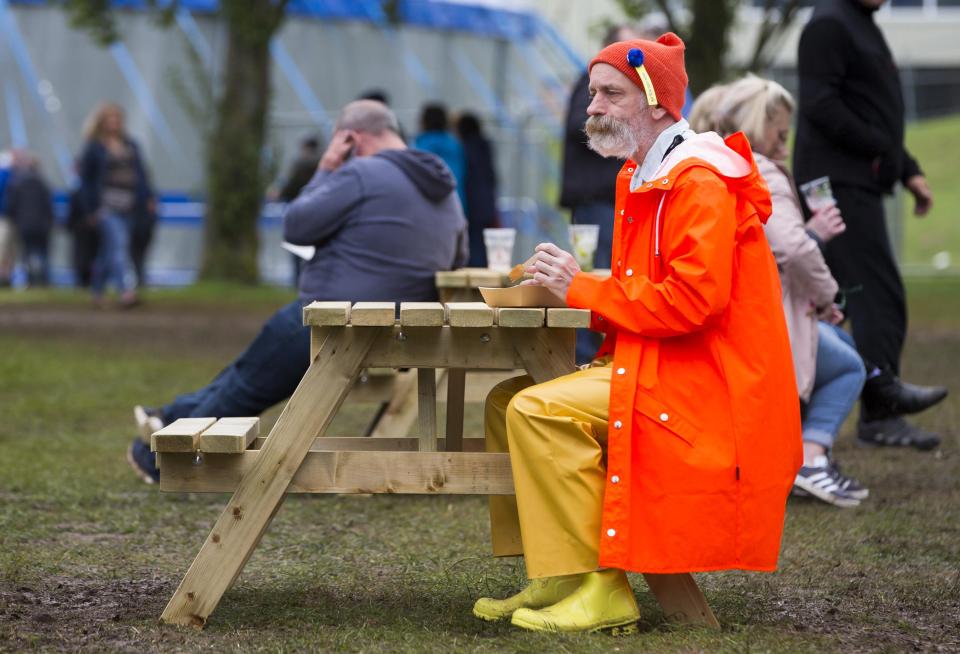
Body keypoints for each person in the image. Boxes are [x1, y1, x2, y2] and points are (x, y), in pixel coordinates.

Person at [472, 33, 801, 633]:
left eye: (609, 94)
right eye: (594, 92)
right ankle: (558, 572)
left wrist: (581, 288)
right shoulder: (642, 176)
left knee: (537, 411)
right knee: (503, 402)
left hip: (709, 388)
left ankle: (601, 589)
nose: (591, 107)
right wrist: (573, 287)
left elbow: (691, 304)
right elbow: (648, 293)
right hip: (666, 363)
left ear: (656, 103)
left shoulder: (695, 182)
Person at [127, 100, 468, 483]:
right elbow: (459, 260)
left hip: (333, 321)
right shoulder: (447, 190)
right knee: (248, 370)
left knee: (246, 386)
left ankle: (154, 456)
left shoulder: (362, 173)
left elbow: (297, 225)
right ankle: (169, 416)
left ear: (350, 138)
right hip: (401, 332)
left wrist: (325, 168)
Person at [793, 0, 947, 449]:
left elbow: (875, 107)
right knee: (871, 293)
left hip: (860, 179)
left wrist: (905, 167)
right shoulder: (828, 24)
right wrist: (886, 154)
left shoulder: (859, 24)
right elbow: (823, 106)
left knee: (858, 293)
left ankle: (877, 398)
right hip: (835, 183)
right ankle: (881, 409)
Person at [710, 75, 868, 507]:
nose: (786, 139)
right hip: (772, 311)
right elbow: (793, 248)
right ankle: (811, 461)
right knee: (849, 365)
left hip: (735, 309)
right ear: (762, 124)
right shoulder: (764, 175)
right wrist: (828, 296)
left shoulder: (717, 165)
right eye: (780, 128)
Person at [559, 23, 639, 365]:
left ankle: (597, 356)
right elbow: (583, 121)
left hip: (608, 200)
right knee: (595, 276)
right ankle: (585, 358)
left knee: (605, 276)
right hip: (596, 201)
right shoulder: (595, 85)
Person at [77, 103, 156, 307]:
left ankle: (96, 292)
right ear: (102, 122)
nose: (114, 123)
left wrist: (148, 197)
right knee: (119, 244)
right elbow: (86, 181)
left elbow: (141, 175)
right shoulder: (94, 148)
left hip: (129, 206)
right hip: (106, 207)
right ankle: (125, 291)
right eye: (110, 119)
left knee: (109, 249)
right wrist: (91, 209)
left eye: (117, 118)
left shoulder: (131, 145)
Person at [272, 134, 323, 285]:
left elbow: (291, 187)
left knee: (296, 248)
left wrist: (278, 194)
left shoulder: (301, 164)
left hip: (300, 213)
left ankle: (297, 281)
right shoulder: (323, 166)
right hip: (318, 214)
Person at [3, 151, 55, 287]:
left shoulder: (18, 183)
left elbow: (11, 205)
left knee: (26, 254)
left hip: (24, 225)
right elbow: (49, 206)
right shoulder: (44, 183)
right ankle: (43, 281)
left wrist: (15, 220)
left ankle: (30, 281)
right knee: (43, 255)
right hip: (42, 226)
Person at [455, 112, 499, 267]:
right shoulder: (485, 146)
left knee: (473, 249)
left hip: (471, 205)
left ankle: (476, 288)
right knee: (484, 247)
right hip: (487, 204)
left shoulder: (463, 149)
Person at [413, 103, 466, 208]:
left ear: (424, 121)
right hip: (457, 202)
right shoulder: (454, 144)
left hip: (429, 205)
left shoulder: (422, 144)